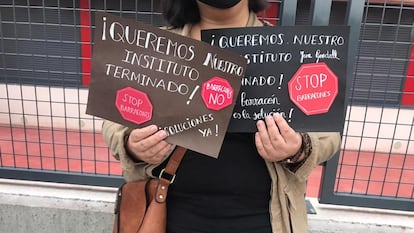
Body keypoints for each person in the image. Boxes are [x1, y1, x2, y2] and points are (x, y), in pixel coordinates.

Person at [102, 0, 341, 232]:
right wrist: (132, 145)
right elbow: (114, 123)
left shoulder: (287, 49)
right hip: (170, 217)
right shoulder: (152, 46)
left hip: (265, 221)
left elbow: (327, 135)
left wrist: (297, 149)